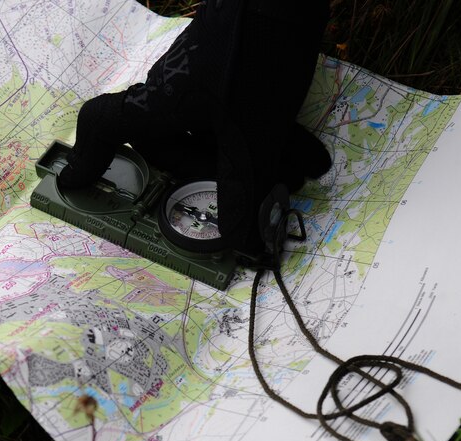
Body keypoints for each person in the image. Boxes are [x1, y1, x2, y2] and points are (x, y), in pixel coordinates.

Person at [59, 0, 332, 256]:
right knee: (247, 233)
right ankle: (101, 118)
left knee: (247, 231)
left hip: (293, 32)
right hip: (240, 22)